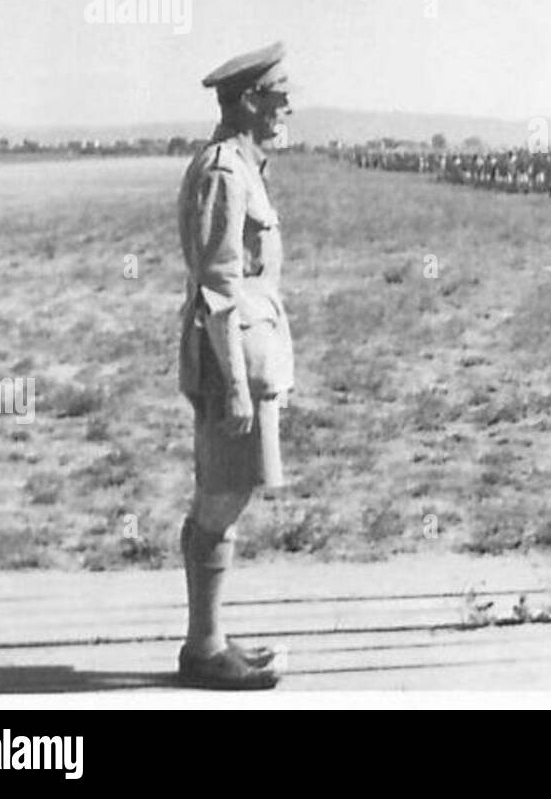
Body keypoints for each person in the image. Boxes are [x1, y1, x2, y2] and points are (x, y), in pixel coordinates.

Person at [176, 42, 295, 689]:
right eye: (280, 94)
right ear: (249, 100)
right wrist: (236, 387)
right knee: (221, 494)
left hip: (250, 349)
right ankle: (203, 650)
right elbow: (219, 283)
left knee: (230, 491)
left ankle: (211, 638)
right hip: (231, 357)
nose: (288, 106)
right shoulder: (225, 172)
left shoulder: (245, 166)